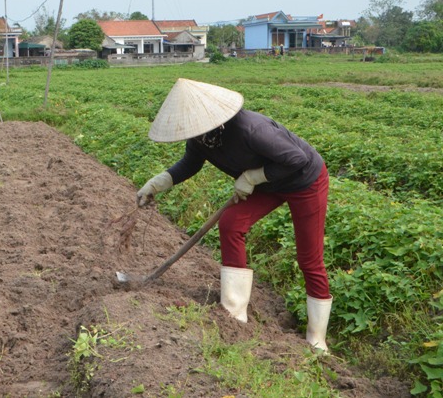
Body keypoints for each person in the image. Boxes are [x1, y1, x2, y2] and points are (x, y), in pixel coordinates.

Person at [136, 78, 332, 352]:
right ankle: (234, 314)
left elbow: (296, 159)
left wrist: (253, 176)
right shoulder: (201, 137)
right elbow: (190, 164)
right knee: (231, 223)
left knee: (309, 259)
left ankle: (317, 339)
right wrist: (159, 182)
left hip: (304, 181)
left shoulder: (251, 129)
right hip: (269, 185)